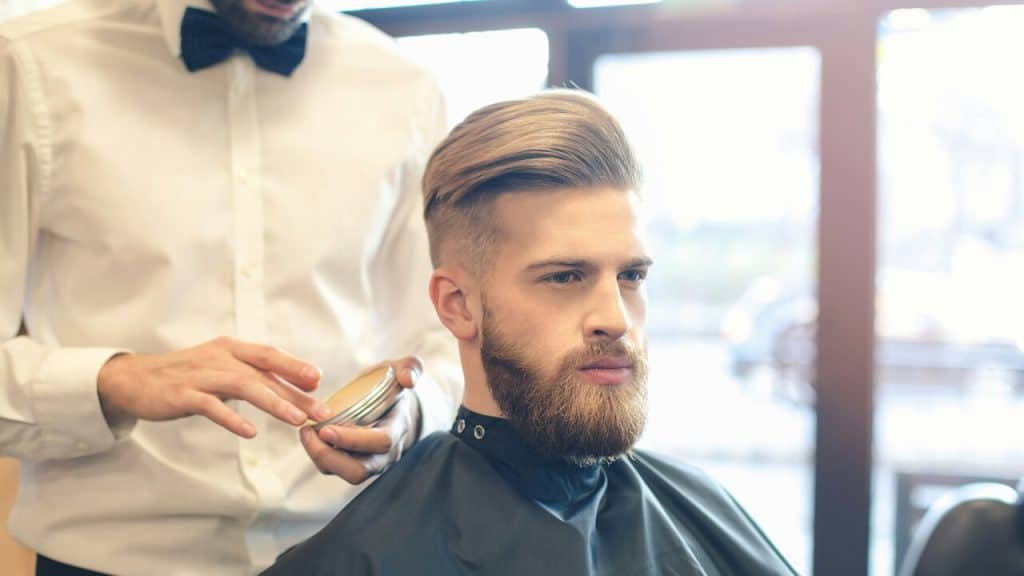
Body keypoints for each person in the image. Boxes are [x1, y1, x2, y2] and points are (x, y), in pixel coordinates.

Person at [0, 0, 462, 574]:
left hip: (355, 548)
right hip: (109, 558)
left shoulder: (405, 88)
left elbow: (448, 336)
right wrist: (114, 380)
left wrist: (415, 413)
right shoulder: (26, 65)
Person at [262, 91, 797, 575]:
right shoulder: (367, 555)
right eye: (565, 276)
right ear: (458, 305)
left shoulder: (703, 507)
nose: (615, 317)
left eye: (631, 276)